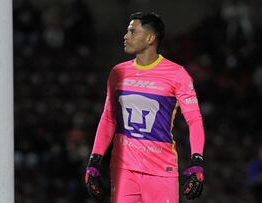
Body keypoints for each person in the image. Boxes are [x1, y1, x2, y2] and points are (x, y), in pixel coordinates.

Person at [84, 12, 205, 203]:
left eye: (132, 31)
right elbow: (108, 118)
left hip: (160, 170)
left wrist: (197, 161)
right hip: (123, 169)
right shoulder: (118, 72)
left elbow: (194, 120)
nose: (126, 36)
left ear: (150, 38)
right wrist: (94, 161)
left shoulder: (177, 74)